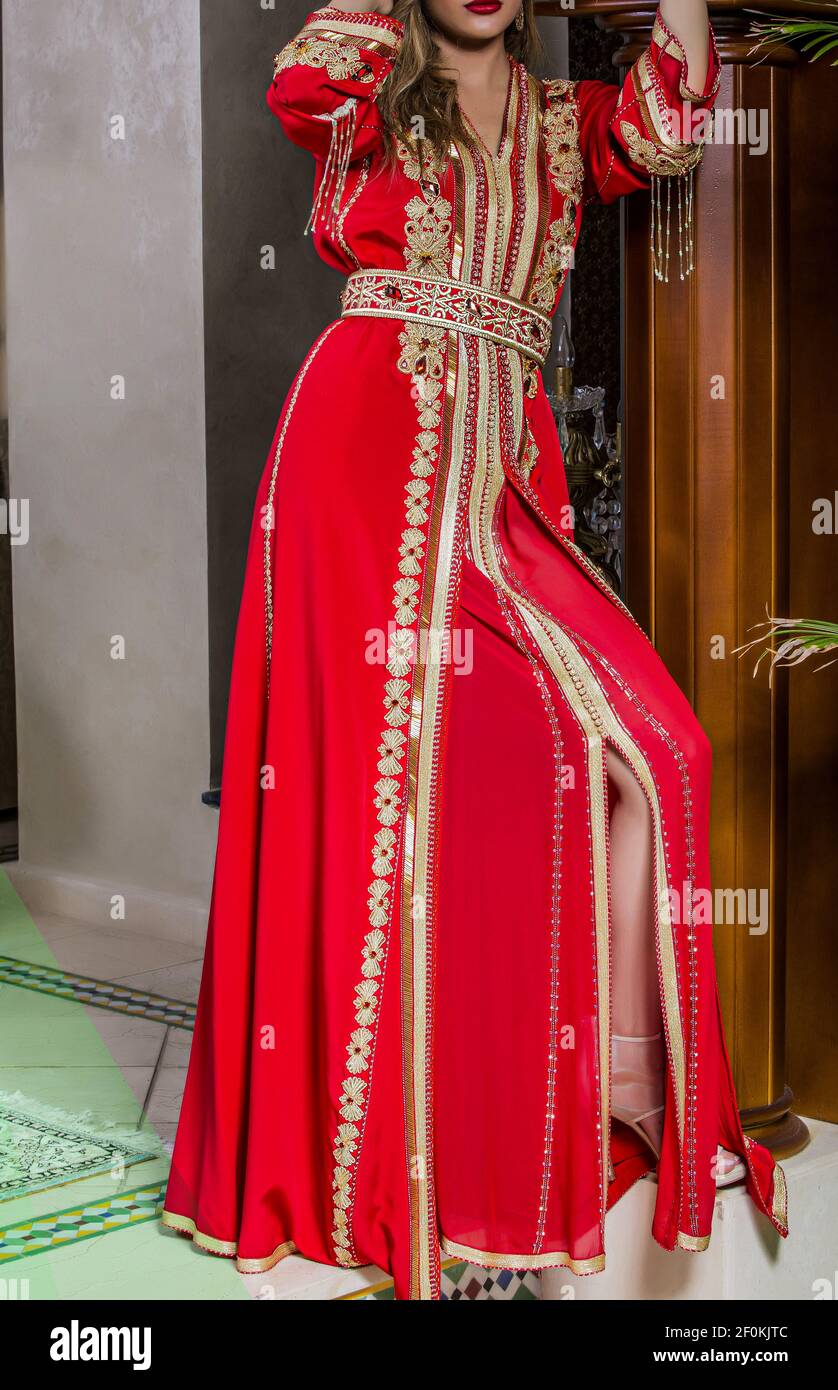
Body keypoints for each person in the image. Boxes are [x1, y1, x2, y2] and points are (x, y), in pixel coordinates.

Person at [163, 0, 788, 1300]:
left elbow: (671, 118)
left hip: (502, 488)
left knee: (659, 746)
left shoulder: (566, 124)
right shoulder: (371, 83)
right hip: (365, 467)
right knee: (397, 812)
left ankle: (614, 1079)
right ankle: (392, 1154)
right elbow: (297, 81)